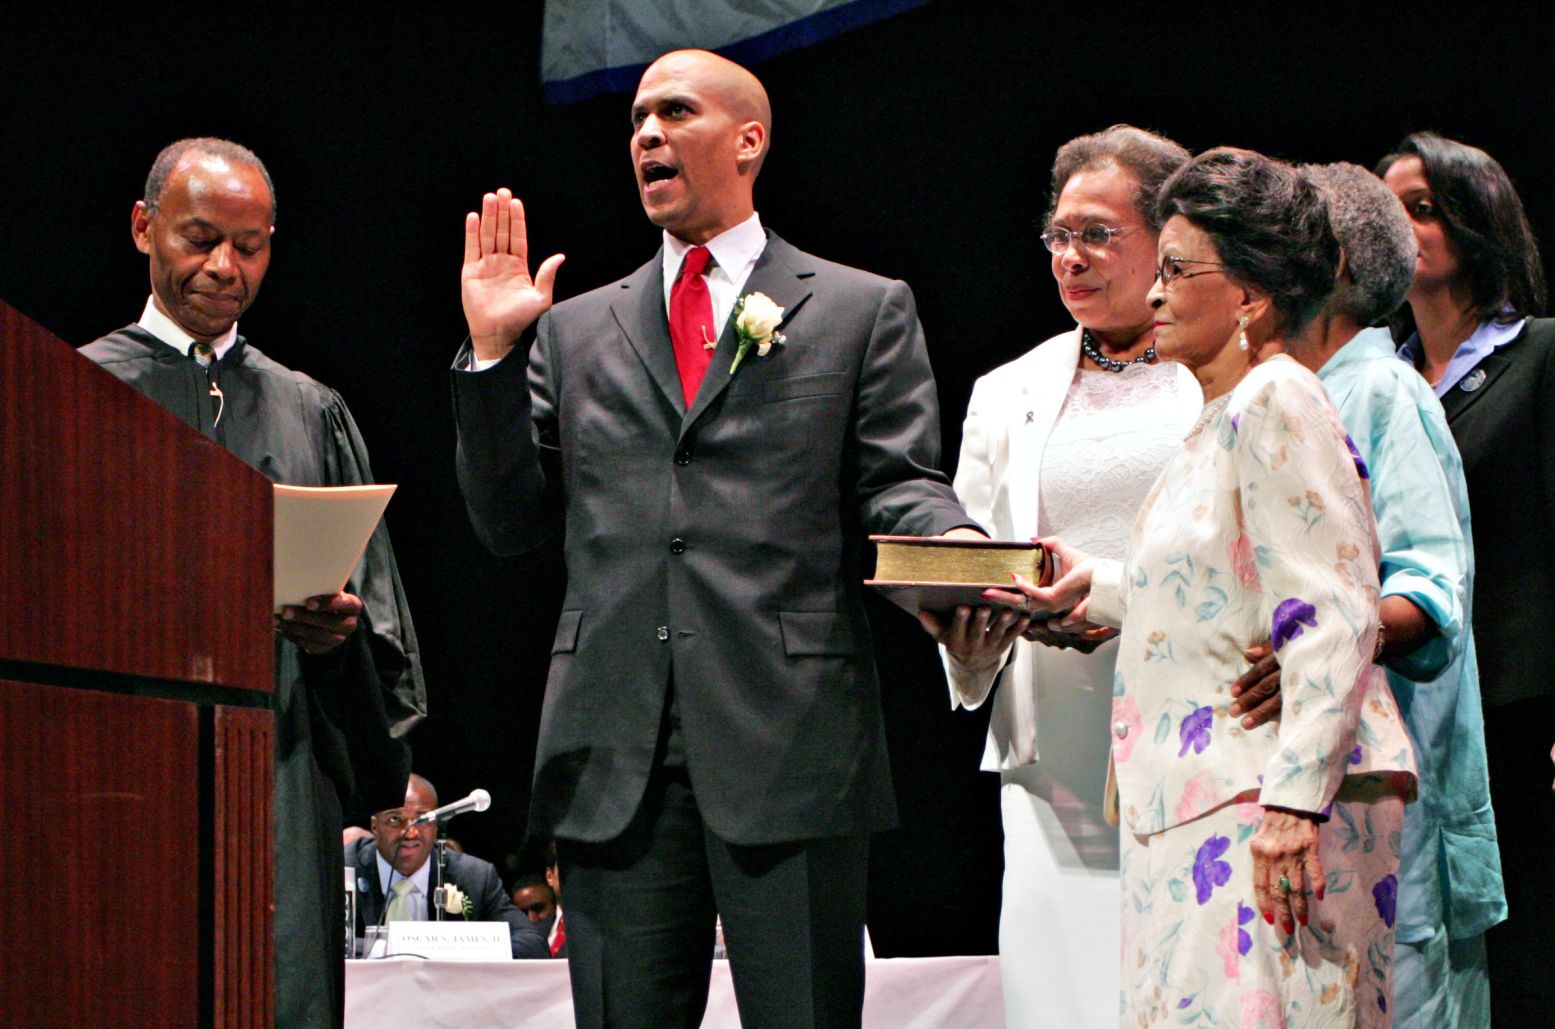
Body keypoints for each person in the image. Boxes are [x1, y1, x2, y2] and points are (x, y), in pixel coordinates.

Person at [449, 49, 979, 1026]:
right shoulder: (572, 333)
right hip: (614, 757)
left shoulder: (860, 309)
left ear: (748, 140)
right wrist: (491, 354)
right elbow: (507, 522)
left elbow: (899, 488)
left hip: (792, 740)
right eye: (638, 118)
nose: (646, 133)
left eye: (675, 112)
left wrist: (962, 569)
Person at [1005, 148, 1417, 1025]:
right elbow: (1215, 589)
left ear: (1250, 298)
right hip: (1200, 806)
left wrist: (1293, 804)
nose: (1154, 294)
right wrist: (1099, 587)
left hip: (1263, 807)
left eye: (1177, 271)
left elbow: (1335, 612)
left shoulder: (1277, 399)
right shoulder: (1217, 422)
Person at [79, 137, 425, 1028]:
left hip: (277, 767)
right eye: (200, 239)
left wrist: (336, 631)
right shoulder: (74, 391)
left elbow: (380, 628)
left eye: (251, 244)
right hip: (108, 766)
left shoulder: (310, 409)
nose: (225, 268)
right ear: (142, 228)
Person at [919, 124, 1200, 1027]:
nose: (1070, 258)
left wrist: (1110, 591)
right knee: (1060, 1000)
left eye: (1097, 235)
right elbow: (969, 543)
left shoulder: (1221, 370)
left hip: (1192, 735)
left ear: (1167, 239)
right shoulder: (1009, 388)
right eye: (1058, 236)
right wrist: (966, 620)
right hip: (1052, 760)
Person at [1228, 162, 1505, 1028]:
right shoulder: (1276, 391)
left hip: (1389, 795)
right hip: (1307, 789)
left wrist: (1325, 641)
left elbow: (1429, 589)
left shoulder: (1383, 392)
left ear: (1332, 263)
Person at [1378, 131, 1555, 1023]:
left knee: (1535, 955)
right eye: (1389, 209)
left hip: (1520, 710)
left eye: (1421, 206)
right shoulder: (1371, 378)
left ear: (1476, 218)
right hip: (1409, 716)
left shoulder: (1548, 354)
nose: (1402, 224)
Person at [346, 775, 549, 959]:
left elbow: (533, 944)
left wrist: (456, 950)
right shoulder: (343, 870)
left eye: (422, 819)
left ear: (436, 826)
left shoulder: (474, 877)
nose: (410, 832)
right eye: (395, 820)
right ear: (374, 826)